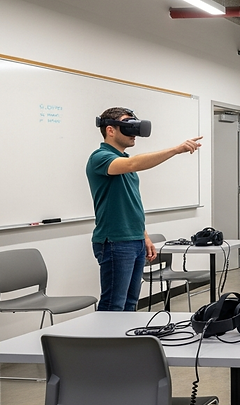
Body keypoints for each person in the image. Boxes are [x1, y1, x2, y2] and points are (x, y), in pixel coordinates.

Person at [87, 106, 202, 311]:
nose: (134, 134)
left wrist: (144, 236)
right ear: (110, 130)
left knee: (131, 303)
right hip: (115, 241)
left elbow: (131, 202)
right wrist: (175, 150)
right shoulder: (100, 157)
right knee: (113, 304)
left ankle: (126, 335)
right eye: (127, 127)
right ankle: (106, 334)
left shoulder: (124, 161)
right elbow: (133, 164)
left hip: (135, 240)